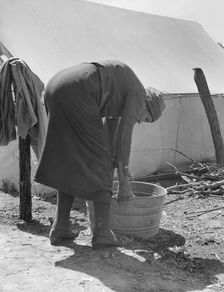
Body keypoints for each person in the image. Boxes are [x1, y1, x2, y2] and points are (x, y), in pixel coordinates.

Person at [34, 60, 165, 247]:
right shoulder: (138, 94)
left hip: (55, 88)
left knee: (70, 160)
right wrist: (123, 181)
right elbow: (124, 137)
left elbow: (110, 133)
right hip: (76, 93)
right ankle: (102, 233)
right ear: (146, 104)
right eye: (146, 118)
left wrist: (117, 164)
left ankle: (60, 227)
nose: (141, 121)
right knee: (100, 163)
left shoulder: (121, 89)